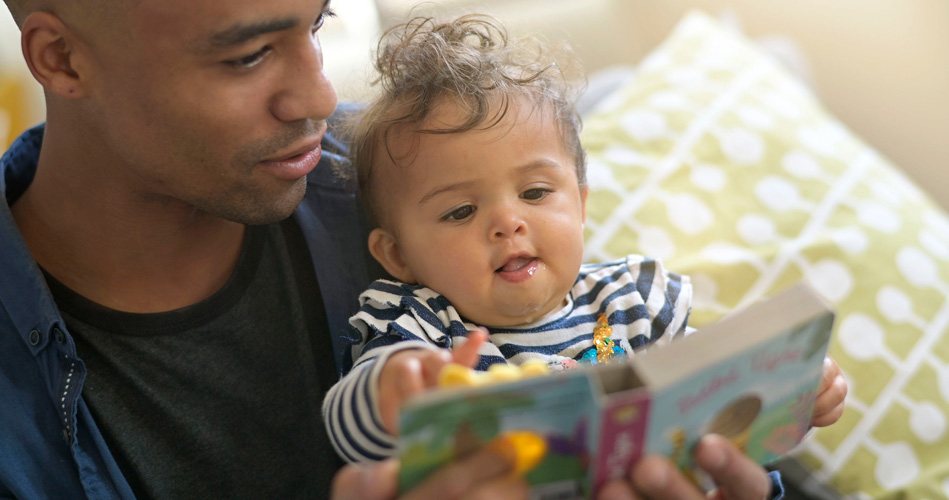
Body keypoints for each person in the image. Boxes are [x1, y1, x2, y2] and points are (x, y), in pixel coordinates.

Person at [0, 0, 844, 498]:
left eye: (318, 22)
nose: (322, 94)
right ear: (61, 56)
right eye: (249, 53)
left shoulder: (406, 167)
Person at [321, 15, 846, 497]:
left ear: (581, 203)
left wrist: (791, 387)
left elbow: (706, 382)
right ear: (398, 255)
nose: (508, 223)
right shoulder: (422, 327)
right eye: (460, 211)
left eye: (534, 193)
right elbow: (351, 435)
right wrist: (394, 387)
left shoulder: (629, 301)